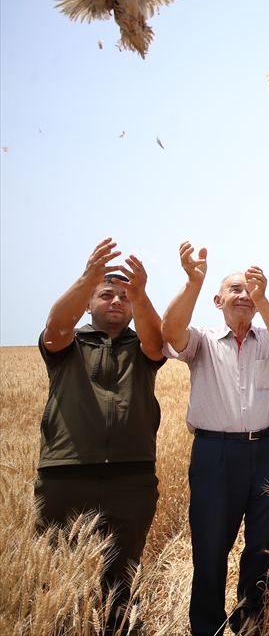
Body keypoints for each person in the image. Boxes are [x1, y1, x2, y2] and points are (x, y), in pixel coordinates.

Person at [161, 243, 269, 636]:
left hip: (268, 450)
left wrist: (264, 299)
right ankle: (207, 628)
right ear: (217, 300)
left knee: (264, 544)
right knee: (210, 548)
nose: (244, 294)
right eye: (234, 289)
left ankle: (250, 624)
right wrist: (193, 282)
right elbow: (170, 333)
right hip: (215, 453)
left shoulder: (268, 336)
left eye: (249, 289)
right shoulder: (202, 339)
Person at [35, 238, 165, 634]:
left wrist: (141, 294)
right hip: (65, 474)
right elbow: (56, 326)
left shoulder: (142, 346)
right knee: (59, 581)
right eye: (106, 294)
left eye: (125, 297)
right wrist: (87, 277)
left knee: (122, 580)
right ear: (88, 303)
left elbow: (157, 342)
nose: (117, 302)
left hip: (131, 478)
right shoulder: (68, 343)